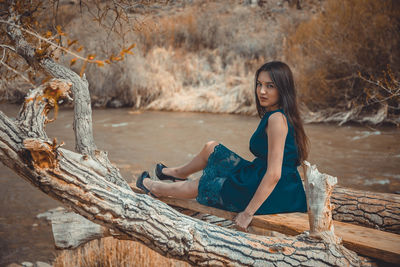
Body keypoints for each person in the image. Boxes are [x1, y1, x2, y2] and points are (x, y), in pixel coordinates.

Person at [136, 61, 310, 232]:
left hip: (278, 194)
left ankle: (155, 188)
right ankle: (177, 174)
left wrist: (248, 213)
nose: (262, 91)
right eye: (259, 84)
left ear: (283, 88)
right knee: (212, 148)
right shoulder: (278, 115)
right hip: (271, 180)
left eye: (270, 86)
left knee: (207, 183)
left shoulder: (276, 120)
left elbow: (274, 174)